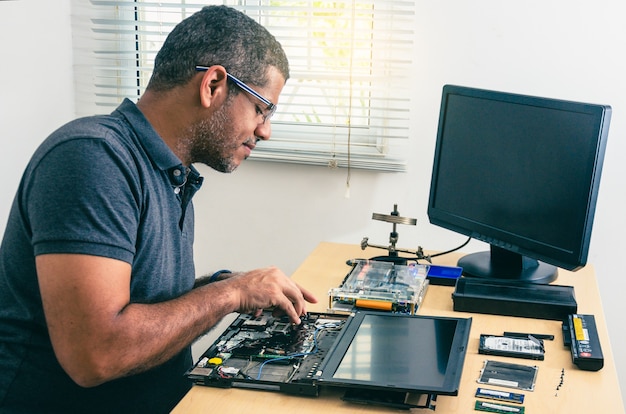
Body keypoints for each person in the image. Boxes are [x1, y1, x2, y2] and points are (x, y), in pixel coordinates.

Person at [0, 5, 316, 413]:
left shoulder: (170, 172)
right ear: (213, 84)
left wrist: (227, 286)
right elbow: (96, 356)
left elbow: (145, 304)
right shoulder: (92, 158)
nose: (265, 131)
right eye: (261, 108)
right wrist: (231, 293)